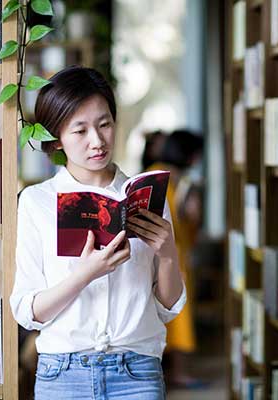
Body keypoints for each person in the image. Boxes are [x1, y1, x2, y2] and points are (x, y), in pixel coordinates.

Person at [10, 66, 187, 400]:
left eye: (104, 124)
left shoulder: (146, 196)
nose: (97, 141)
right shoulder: (37, 202)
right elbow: (29, 311)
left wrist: (168, 253)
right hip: (63, 374)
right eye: (80, 131)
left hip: (137, 372)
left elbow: (168, 306)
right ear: (57, 137)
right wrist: (85, 274)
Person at [146, 130, 204, 388]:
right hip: (167, 259)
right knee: (176, 315)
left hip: (175, 256)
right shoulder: (161, 178)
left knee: (177, 315)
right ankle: (177, 373)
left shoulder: (173, 178)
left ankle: (175, 372)